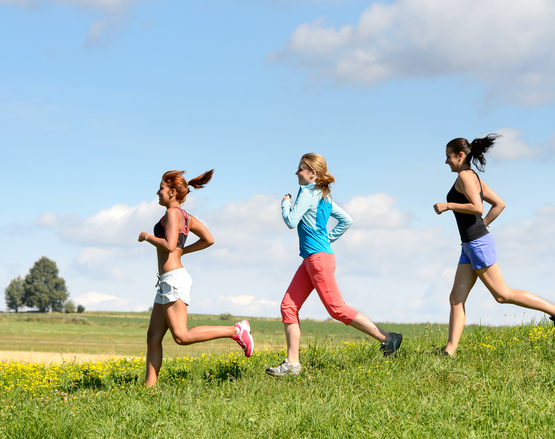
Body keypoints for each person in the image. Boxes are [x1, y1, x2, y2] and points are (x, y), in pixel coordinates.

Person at [433, 135, 555, 357]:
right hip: (471, 245)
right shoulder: (473, 177)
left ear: (460, 156)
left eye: (448, 157)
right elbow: (500, 204)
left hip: (477, 244)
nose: (446, 162)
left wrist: (449, 205)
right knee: (456, 299)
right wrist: (483, 226)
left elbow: (478, 207)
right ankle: (448, 352)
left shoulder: (464, 176)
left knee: (502, 295)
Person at [266, 153, 402, 377]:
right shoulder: (324, 195)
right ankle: (292, 364)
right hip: (313, 258)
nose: (296, 173)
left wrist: (286, 204)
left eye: (301, 169)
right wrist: (326, 241)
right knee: (288, 306)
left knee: (337, 309)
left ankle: (388, 339)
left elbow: (291, 221)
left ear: (313, 173)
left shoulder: (308, 192)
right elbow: (346, 220)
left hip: (318, 260)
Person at [138, 169, 254, 387]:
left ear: (172, 192)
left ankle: (236, 331)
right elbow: (208, 239)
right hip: (166, 281)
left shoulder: (173, 214)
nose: (157, 192)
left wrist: (148, 237)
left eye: (161, 188)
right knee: (153, 337)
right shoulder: (186, 217)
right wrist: (183, 252)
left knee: (181, 336)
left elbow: (170, 245)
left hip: (173, 279)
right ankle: (148, 389)